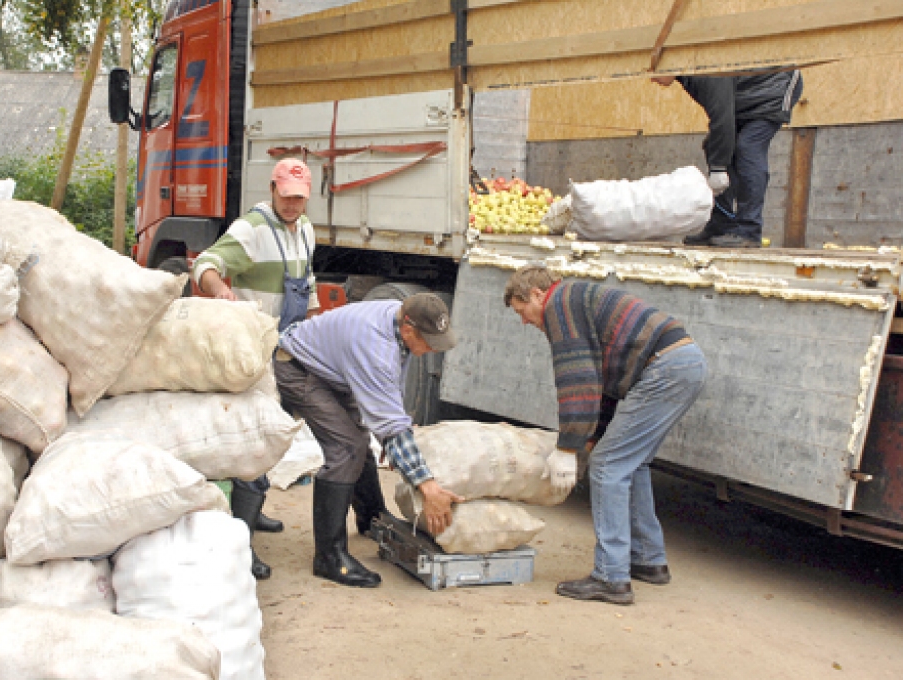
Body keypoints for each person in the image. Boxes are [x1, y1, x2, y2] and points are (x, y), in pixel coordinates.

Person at [504, 264, 706, 605]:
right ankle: (647, 559)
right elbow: (605, 381)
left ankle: (611, 578)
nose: (525, 322)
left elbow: (578, 378)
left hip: (664, 369)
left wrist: (567, 447)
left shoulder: (560, 305)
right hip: (684, 363)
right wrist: (593, 434)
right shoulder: (579, 299)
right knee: (631, 463)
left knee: (607, 467)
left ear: (538, 294)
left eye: (523, 312)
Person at [274, 293, 463, 588]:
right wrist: (428, 486)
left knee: (360, 438)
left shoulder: (398, 319)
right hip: (299, 369)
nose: (430, 351)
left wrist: (391, 434)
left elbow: (388, 392)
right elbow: (387, 416)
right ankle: (329, 557)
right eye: (429, 343)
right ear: (409, 330)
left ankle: (372, 517)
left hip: (333, 368)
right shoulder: (374, 346)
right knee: (347, 448)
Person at [191, 157, 320, 581]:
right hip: (252, 350)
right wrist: (221, 290)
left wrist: (315, 326)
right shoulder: (252, 228)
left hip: (286, 346)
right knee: (250, 439)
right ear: (272, 189)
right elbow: (205, 265)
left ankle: (256, 512)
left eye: (299, 199)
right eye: (285, 197)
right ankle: (240, 542)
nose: (292, 206)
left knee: (271, 433)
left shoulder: (305, 230)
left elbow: (308, 281)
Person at [652, 70, 803, 248]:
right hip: (747, 97)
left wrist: (718, 168)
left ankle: (749, 230)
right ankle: (720, 225)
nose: (652, 79)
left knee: (748, 147)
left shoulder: (704, 73)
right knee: (716, 145)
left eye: (654, 72)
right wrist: (718, 163)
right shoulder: (687, 72)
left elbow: (721, 118)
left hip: (775, 86)